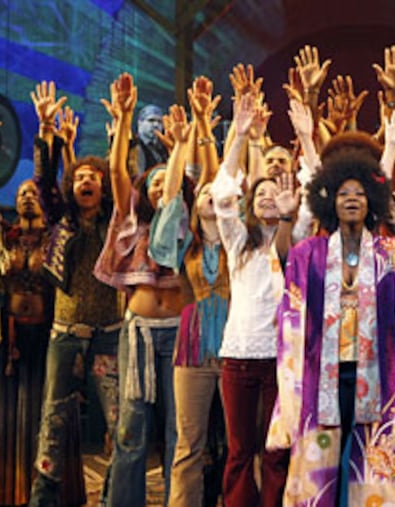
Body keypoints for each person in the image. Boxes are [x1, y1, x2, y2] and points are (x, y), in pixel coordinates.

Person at [267, 131, 395, 507]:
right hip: (321, 377)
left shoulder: (390, 251)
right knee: (321, 468)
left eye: (360, 193)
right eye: (343, 193)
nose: (351, 198)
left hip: (378, 377)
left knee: (370, 467)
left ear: (372, 202)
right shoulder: (311, 252)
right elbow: (285, 263)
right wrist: (286, 218)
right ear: (330, 202)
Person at [95, 73, 194, 506]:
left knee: (179, 430)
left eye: (164, 182)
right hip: (138, 334)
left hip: (179, 333)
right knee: (131, 430)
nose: (158, 186)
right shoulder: (131, 223)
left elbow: (180, 187)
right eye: (152, 182)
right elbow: (118, 170)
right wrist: (123, 118)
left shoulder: (184, 224)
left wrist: (183, 147)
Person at [27, 81, 122, 507]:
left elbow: (122, 178)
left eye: (93, 177)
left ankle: (112, 497)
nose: (86, 180)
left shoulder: (115, 223)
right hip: (65, 335)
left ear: (102, 188)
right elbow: (44, 182)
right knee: (53, 419)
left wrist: (119, 131)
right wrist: (46, 130)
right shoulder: (60, 220)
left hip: (108, 337)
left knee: (119, 422)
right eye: (80, 176)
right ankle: (43, 499)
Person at [0, 103, 52, 507]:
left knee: (44, 413)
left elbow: (51, 182)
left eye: (33, 192)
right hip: (9, 340)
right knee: (6, 415)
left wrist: (46, 129)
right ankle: (7, 488)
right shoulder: (4, 234)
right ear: (14, 204)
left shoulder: (55, 237)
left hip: (46, 338)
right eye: (21, 194)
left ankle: (42, 489)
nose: (27, 196)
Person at [210, 92, 290, 507]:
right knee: (240, 450)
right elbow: (222, 197)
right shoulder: (239, 241)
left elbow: (311, 190)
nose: (267, 197)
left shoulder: (296, 241)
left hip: (282, 357)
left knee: (277, 449)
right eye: (260, 194)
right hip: (239, 355)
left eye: (274, 193)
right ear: (251, 205)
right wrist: (239, 138)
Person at [166, 75, 230, 507]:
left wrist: (207, 126)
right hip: (191, 352)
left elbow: (218, 177)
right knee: (188, 444)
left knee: (244, 444)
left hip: (234, 347)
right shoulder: (183, 245)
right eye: (203, 190)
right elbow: (173, 197)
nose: (209, 192)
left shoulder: (240, 243)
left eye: (215, 191)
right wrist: (183, 141)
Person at [135, 104, 169, 175]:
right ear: (140, 122)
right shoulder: (132, 145)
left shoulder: (164, 147)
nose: (156, 125)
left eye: (159, 122)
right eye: (151, 120)